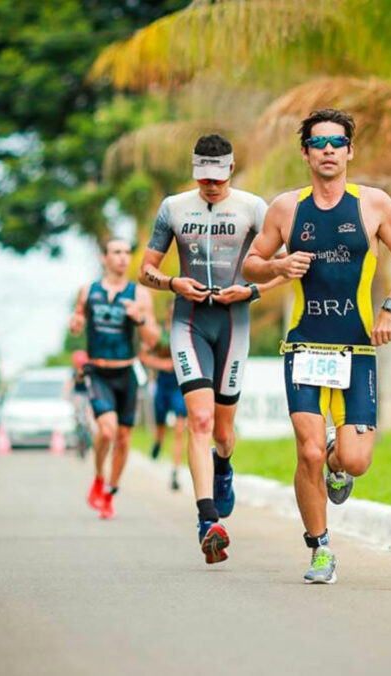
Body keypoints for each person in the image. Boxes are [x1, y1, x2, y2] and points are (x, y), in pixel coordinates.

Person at [242, 109, 391, 584]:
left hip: (357, 349)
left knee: (355, 460)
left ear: (349, 151)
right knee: (308, 453)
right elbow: (251, 264)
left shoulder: (374, 205)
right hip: (305, 347)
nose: (328, 150)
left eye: (336, 142)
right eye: (318, 142)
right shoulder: (286, 208)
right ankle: (320, 549)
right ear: (304, 152)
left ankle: (338, 466)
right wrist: (279, 266)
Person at [139, 134, 286, 564]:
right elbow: (147, 268)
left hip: (233, 323)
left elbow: (288, 264)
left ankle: (224, 466)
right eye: (203, 178)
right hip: (188, 322)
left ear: (231, 170)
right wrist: (171, 283)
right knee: (198, 419)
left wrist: (252, 292)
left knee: (223, 433)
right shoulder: (173, 208)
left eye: (217, 179)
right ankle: (208, 521)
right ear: (194, 171)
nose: (211, 186)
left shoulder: (254, 208)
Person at [69, 238, 159, 520]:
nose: (122, 258)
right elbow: (76, 323)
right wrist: (75, 324)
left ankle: (110, 491)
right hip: (97, 371)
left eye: (126, 253)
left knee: (122, 437)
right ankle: (98, 476)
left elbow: (153, 339)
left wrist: (139, 320)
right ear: (104, 258)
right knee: (106, 431)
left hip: (126, 372)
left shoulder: (140, 295)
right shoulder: (88, 291)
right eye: (116, 252)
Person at [139, 301, 188, 491]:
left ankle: (175, 471)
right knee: (160, 428)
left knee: (179, 428)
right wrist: (164, 364)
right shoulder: (158, 334)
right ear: (168, 314)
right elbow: (143, 356)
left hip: (180, 385)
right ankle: (157, 443)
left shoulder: (188, 333)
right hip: (163, 384)